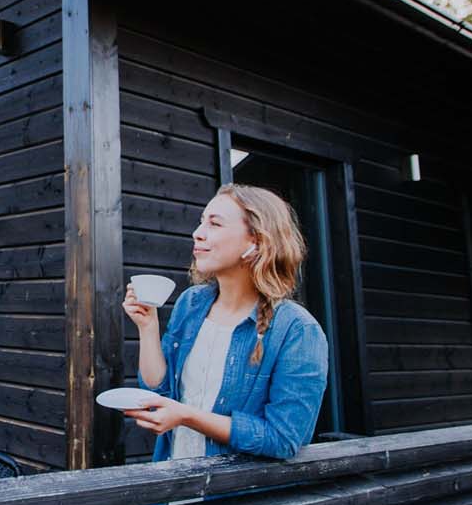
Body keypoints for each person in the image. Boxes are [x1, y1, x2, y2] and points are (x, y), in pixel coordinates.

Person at [121, 183, 328, 462]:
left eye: (215, 224)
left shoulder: (298, 330)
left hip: (236, 501)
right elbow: (160, 394)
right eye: (201, 221)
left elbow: (283, 439)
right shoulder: (191, 303)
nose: (198, 233)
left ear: (255, 242)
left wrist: (186, 416)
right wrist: (147, 327)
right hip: (170, 489)